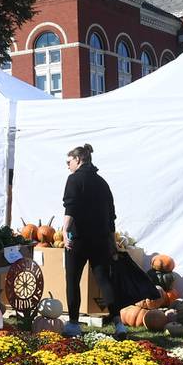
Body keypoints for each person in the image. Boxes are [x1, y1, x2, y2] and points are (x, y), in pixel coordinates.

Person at [60, 143, 123, 336]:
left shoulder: (74, 179)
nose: (67, 165)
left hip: (78, 239)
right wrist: (112, 242)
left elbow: (70, 208)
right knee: (104, 281)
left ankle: (72, 324)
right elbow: (111, 216)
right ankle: (119, 323)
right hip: (101, 239)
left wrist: (64, 232)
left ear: (78, 160)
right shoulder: (102, 182)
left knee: (73, 280)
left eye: (68, 161)